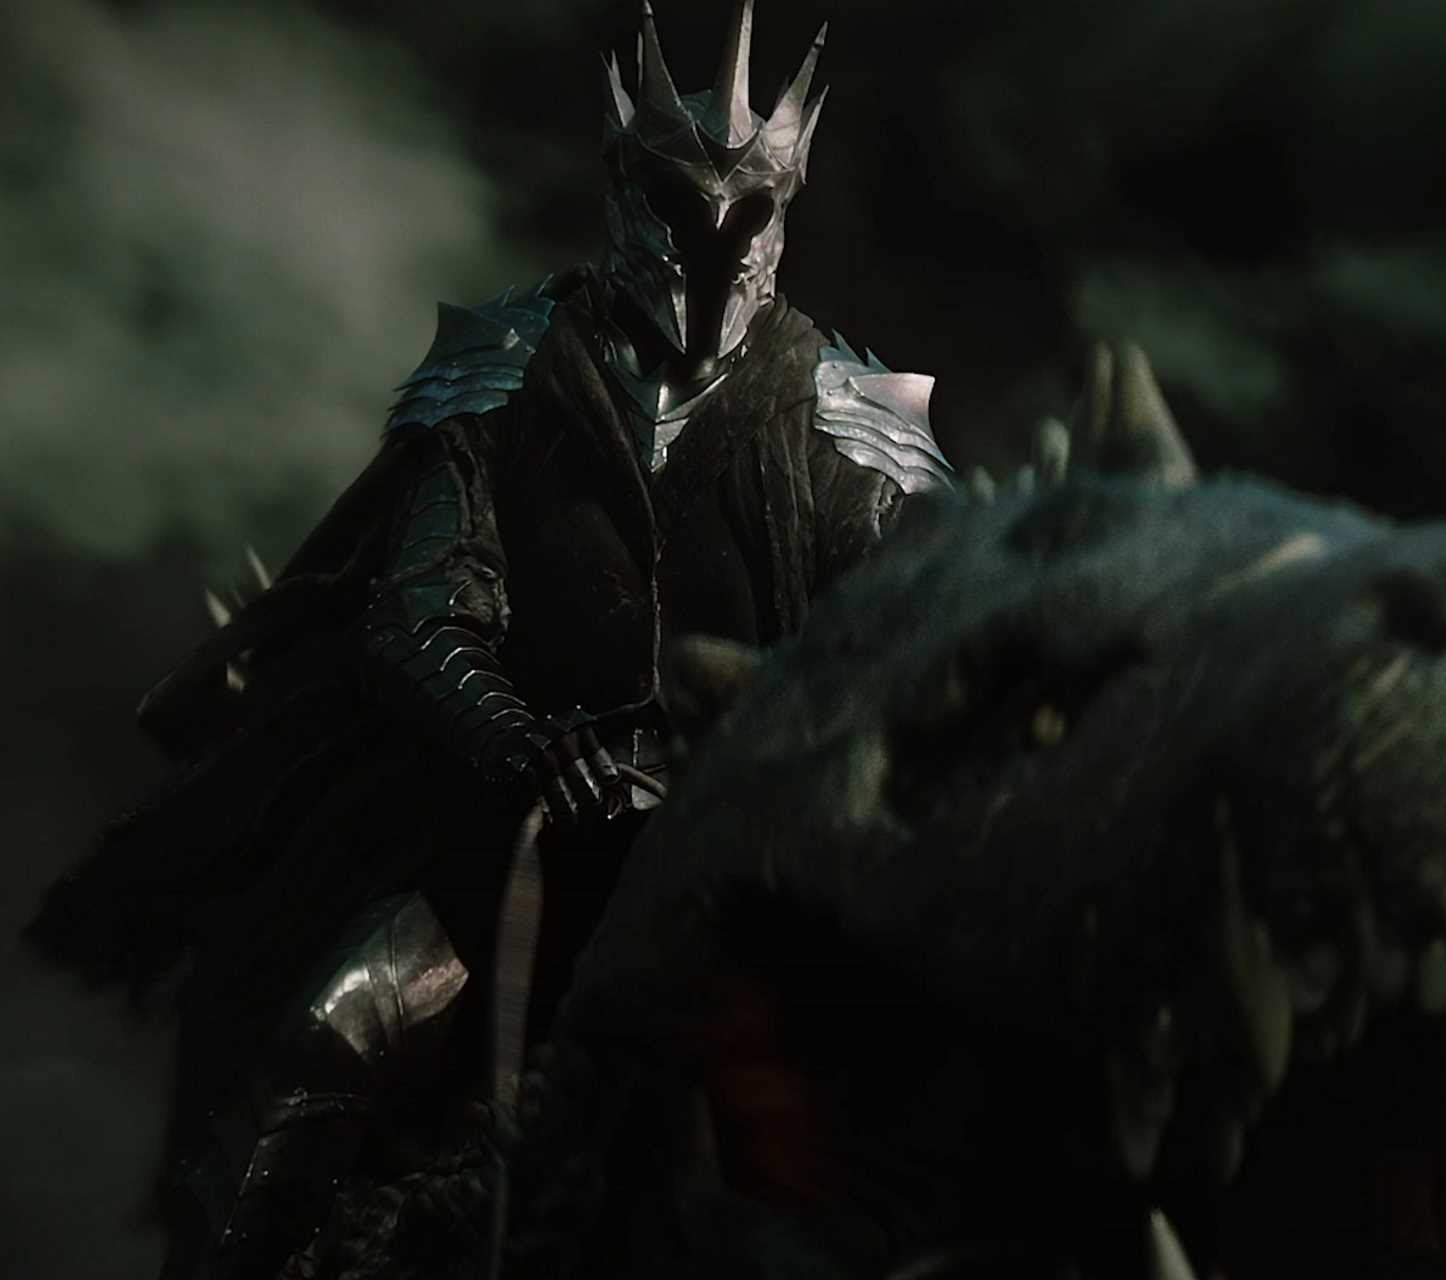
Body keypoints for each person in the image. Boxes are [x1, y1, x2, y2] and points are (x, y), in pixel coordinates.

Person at [25, 3, 950, 1275]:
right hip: (509, 834)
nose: (715, 240)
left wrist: (744, 775)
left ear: (783, 213)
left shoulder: (854, 428)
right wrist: (527, 746)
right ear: (626, 194)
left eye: (749, 212)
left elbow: (907, 662)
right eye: (678, 204)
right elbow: (416, 609)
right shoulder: (506, 372)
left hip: (743, 858)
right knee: (327, 1035)